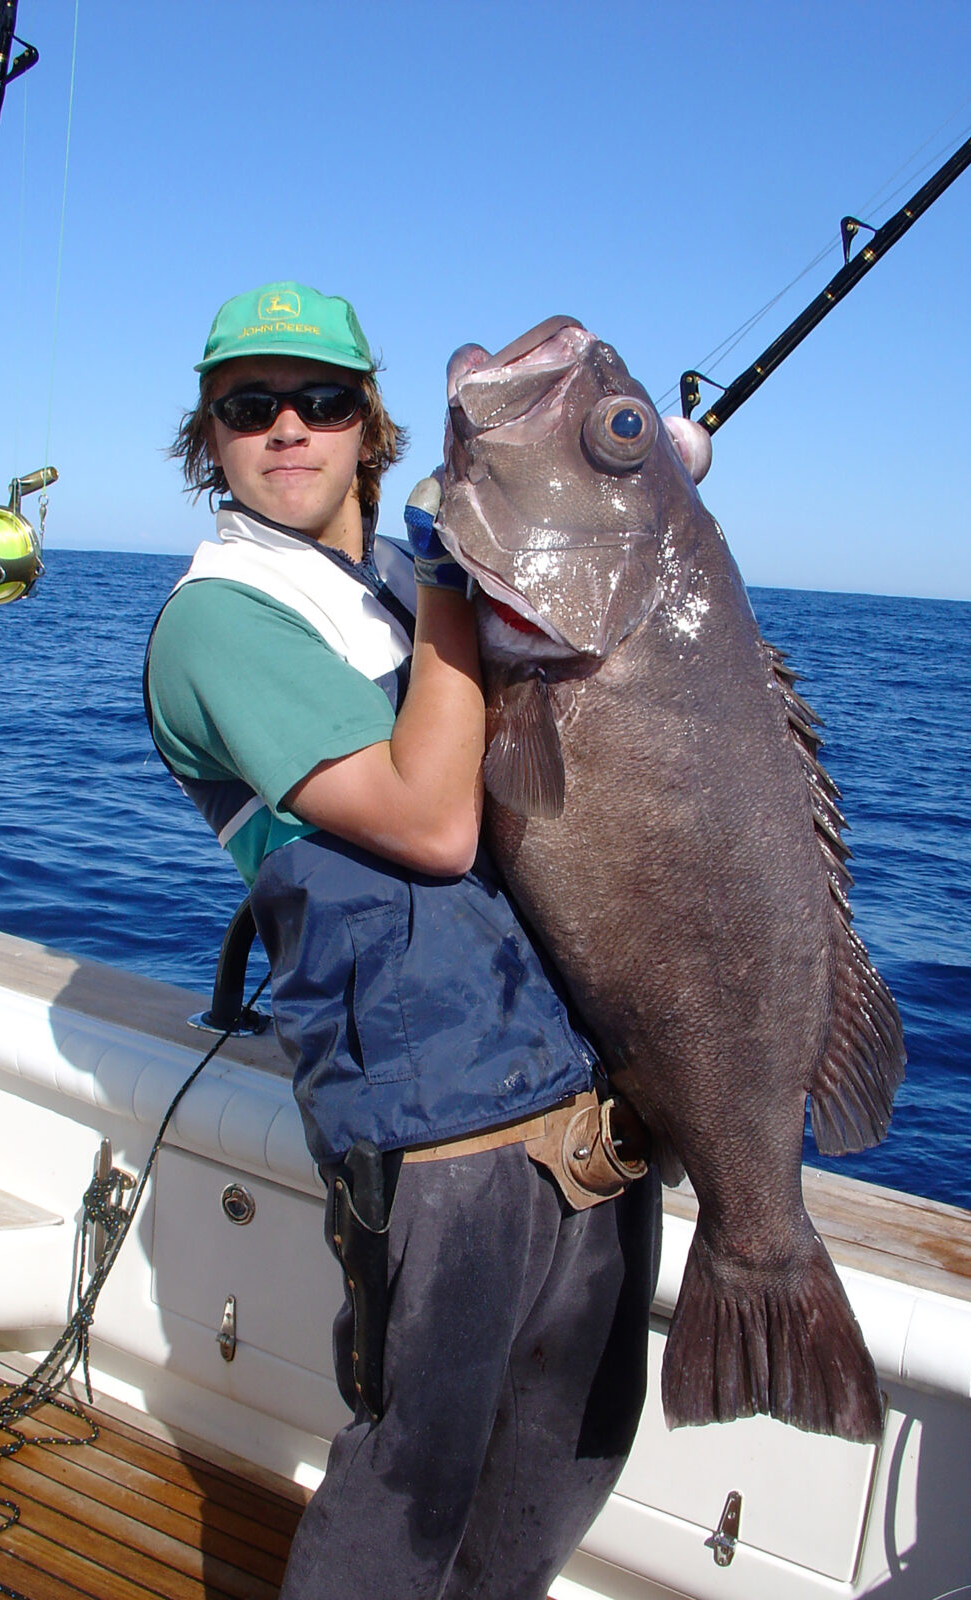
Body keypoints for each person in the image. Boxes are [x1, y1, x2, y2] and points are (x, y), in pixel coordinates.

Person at [145, 281, 685, 1600]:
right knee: (408, 1503)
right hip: (438, 1139)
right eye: (249, 406)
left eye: (321, 400)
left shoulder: (393, 582)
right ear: (208, 437)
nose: (288, 429)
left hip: (585, 1123)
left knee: (559, 1478)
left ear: (369, 424)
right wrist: (460, 570)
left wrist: (628, 493)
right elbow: (434, 823)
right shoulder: (219, 620)